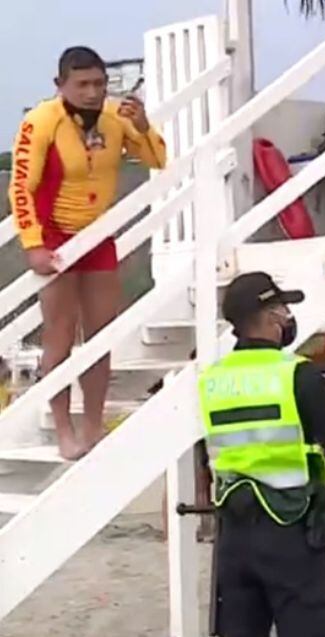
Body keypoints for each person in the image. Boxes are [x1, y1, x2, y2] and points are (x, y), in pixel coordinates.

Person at [9, 46, 167, 459]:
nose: (93, 92)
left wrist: (145, 126)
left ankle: (93, 426)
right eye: (82, 84)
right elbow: (21, 188)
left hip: (98, 234)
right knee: (59, 336)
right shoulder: (41, 120)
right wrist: (33, 245)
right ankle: (64, 429)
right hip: (56, 236)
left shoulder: (117, 117)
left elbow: (157, 159)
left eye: (99, 83)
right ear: (60, 85)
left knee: (102, 335)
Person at [198, 272, 325, 637]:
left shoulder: (211, 380)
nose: (288, 317)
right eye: (283, 308)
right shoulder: (297, 374)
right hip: (291, 523)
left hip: (233, 532)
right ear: (270, 317)